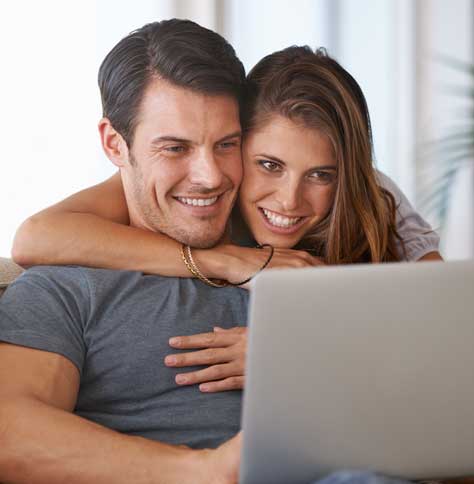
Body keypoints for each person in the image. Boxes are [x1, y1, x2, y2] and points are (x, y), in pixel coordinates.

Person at [0, 19, 434, 484]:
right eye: (175, 148)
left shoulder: (310, 251)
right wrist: (202, 470)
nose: (209, 176)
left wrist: (309, 358)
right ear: (115, 145)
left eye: (226, 145)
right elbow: (9, 435)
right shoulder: (66, 285)